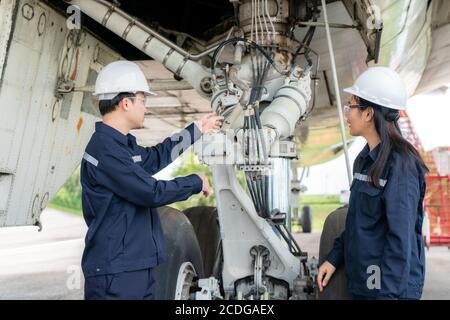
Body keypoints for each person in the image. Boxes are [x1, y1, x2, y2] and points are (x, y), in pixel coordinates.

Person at [80, 60, 223, 300]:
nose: (146, 107)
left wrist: (197, 129)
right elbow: (151, 192)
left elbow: (157, 156)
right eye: (143, 101)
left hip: (134, 266)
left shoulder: (120, 146)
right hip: (116, 272)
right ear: (126, 103)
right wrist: (195, 182)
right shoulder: (106, 151)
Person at [317, 66, 428, 300]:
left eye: (351, 107)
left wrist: (387, 296)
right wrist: (334, 257)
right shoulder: (365, 160)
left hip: (389, 290)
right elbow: (358, 221)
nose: (347, 115)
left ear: (368, 113)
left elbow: (401, 241)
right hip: (364, 284)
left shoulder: (402, 166)